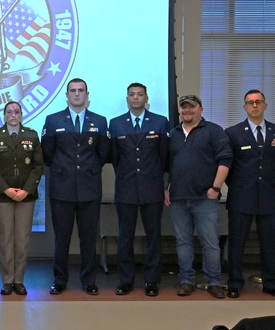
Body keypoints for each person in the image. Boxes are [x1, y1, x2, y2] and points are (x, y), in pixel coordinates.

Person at [41, 78, 109, 295]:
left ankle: (89, 280)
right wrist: (64, 169)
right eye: (73, 91)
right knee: (62, 238)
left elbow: (103, 154)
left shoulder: (99, 121)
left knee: (88, 238)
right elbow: (47, 154)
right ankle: (60, 280)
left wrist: (87, 169)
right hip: (62, 188)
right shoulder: (52, 120)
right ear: (67, 95)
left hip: (89, 188)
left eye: (81, 91)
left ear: (87, 94)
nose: (77, 94)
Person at [224, 89, 275, 299]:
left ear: (265, 105)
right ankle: (235, 282)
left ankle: (270, 282)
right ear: (244, 107)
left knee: (269, 243)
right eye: (250, 102)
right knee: (236, 242)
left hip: (269, 196)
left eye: (258, 102)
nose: (254, 105)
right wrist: (241, 185)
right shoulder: (232, 133)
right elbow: (228, 166)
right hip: (241, 196)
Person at [164, 94, 230, 299]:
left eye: (191, 107)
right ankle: (186, 281)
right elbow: (166, 165)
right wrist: (165, 188)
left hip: (205, 198)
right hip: (178, 199)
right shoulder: (172, 134)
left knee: (210, 243)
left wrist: (216, 188)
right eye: (183, 108)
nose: (187, 111)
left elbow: (225, 160)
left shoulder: (213, 131)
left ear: (200, 109)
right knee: (183, 242)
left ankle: (213, 282)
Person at [107, 82, 169, 296]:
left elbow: (164, 158)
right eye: (132, 95)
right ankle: (126, 280)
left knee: (153, 236)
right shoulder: (115, 124)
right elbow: (115, 158)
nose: (135, 98)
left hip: (152, 188)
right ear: (127, 99)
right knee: (125, 237)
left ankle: (151, 281)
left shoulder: (161, 123)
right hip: (125, 188)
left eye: (139, 94)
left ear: (146, 98)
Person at [0, 101, 44, 296]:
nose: (13, 115)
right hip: (3, 196)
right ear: (4, 115)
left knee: (22, 239)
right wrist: (6, 189)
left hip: (26, 196)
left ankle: (19, 280)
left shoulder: (31, 135)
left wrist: (26, 190)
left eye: (16, 112)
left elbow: (38, 167)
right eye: (9, 112)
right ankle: (7, 280)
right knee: (5, 239)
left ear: (21, 115)